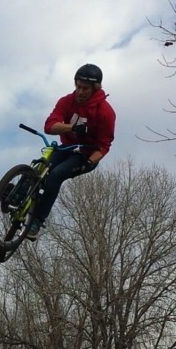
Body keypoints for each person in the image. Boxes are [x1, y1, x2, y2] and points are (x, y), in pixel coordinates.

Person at [26, 63, 116, 240]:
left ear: (95, 88)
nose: (81, 92)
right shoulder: (67, 101)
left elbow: (104, 145)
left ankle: (37, 220)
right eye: (78, 87)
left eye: (85, 89)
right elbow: (49, 126)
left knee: (55, 175)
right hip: (67, 147)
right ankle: (17, 195)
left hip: (87, 155)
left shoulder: (105, 112)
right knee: (42, 165)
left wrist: (91, 161)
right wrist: (71, 128)